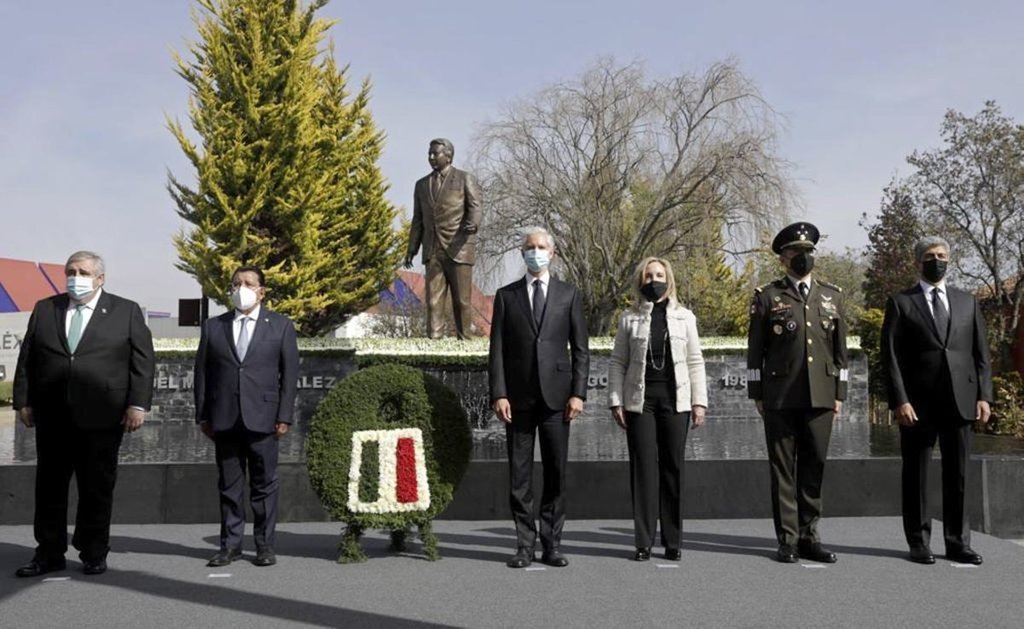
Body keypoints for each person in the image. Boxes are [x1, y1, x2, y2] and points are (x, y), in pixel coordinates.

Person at [13, 251, 155, 577]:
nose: (75, 278)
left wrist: (137, 405)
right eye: (71, 271)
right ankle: (48, 552)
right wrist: (23, 400)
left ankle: (93, 551)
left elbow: (143, 362)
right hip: (53, 415)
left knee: (96, 487)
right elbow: (28, 358)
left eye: (83, 272)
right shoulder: (46, 308)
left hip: (103, 416)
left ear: (100, 279)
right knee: (49, 488)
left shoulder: (126, 311)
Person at [881, 236, 992, 565]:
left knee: (959, 476)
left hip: (961, 401)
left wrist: (984, 396)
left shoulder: (967, 301)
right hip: (917, 405)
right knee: (916, 475)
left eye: (942, 255)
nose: (937, 261)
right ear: (918, 262)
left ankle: (958, 543)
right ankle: (919, 542)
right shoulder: (901, 302)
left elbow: (981, 354)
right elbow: (890, 357)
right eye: (930, 256)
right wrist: (900, 400)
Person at [746, 222, 848, 564]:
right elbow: (755, 352)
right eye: (795, 252)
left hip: (821, 396)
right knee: (783, 471)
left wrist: (840, 393)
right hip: (780, 396)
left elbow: (840, 353)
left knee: (814, 467)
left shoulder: (832, 296)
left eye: (808, 252)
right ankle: (787, 540)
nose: (803, 257)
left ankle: (810, 537)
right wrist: (757, 393)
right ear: (783, 259)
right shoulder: (767, 296)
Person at [488, 228, 589, 568]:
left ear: (553, 253)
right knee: (519, 477)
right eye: (530, 247)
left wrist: (578, 393)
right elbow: (497, 350)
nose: (536, 251)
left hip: (558, 399)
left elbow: (581, 350)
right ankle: (524, 546)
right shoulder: (506, 296)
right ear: (522, 253)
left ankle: (552, 544)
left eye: (541, 246)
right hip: (517, 400)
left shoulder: (569, 294)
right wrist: (499, 393)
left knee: (555, 473)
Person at [194, 265, 299, 567]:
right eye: (236, 283)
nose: (241, 288)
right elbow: (202, 373)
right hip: (224, 418)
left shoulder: (280, 326)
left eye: (249, 283)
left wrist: (284, 415)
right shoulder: (214, 326)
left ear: (261, 291)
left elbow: (289, 375)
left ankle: (265, 545)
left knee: (264, 485)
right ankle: (230, 546)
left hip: (264, 418)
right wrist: (203, 415)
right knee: (229, 486)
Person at [608, 257, 708, 561]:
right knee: (643, 470)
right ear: (641, 282)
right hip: (641, 403)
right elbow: (618, 362)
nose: (655, 280)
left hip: (676, 402)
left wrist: (699, 402)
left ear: (669, 279)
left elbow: (695, 361)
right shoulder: (629, 318)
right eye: (649, 276)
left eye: (660, 275)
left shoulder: (685, 317)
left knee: (672, 468)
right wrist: (616, 400)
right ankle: (643, 541)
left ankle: (673, 541)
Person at [404, 138, 482, 339]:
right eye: (429, 154)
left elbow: (475, 207)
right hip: (432, 249)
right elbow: (418, 219)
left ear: (448, 156)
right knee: (433, 302)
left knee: (461, 301)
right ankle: (434, 345)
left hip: (459, 248)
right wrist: (412, 248)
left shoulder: (464, 178)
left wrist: (473, 224)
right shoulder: (421, 185)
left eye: (435, 153)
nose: (431, 157)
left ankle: (465, 343)